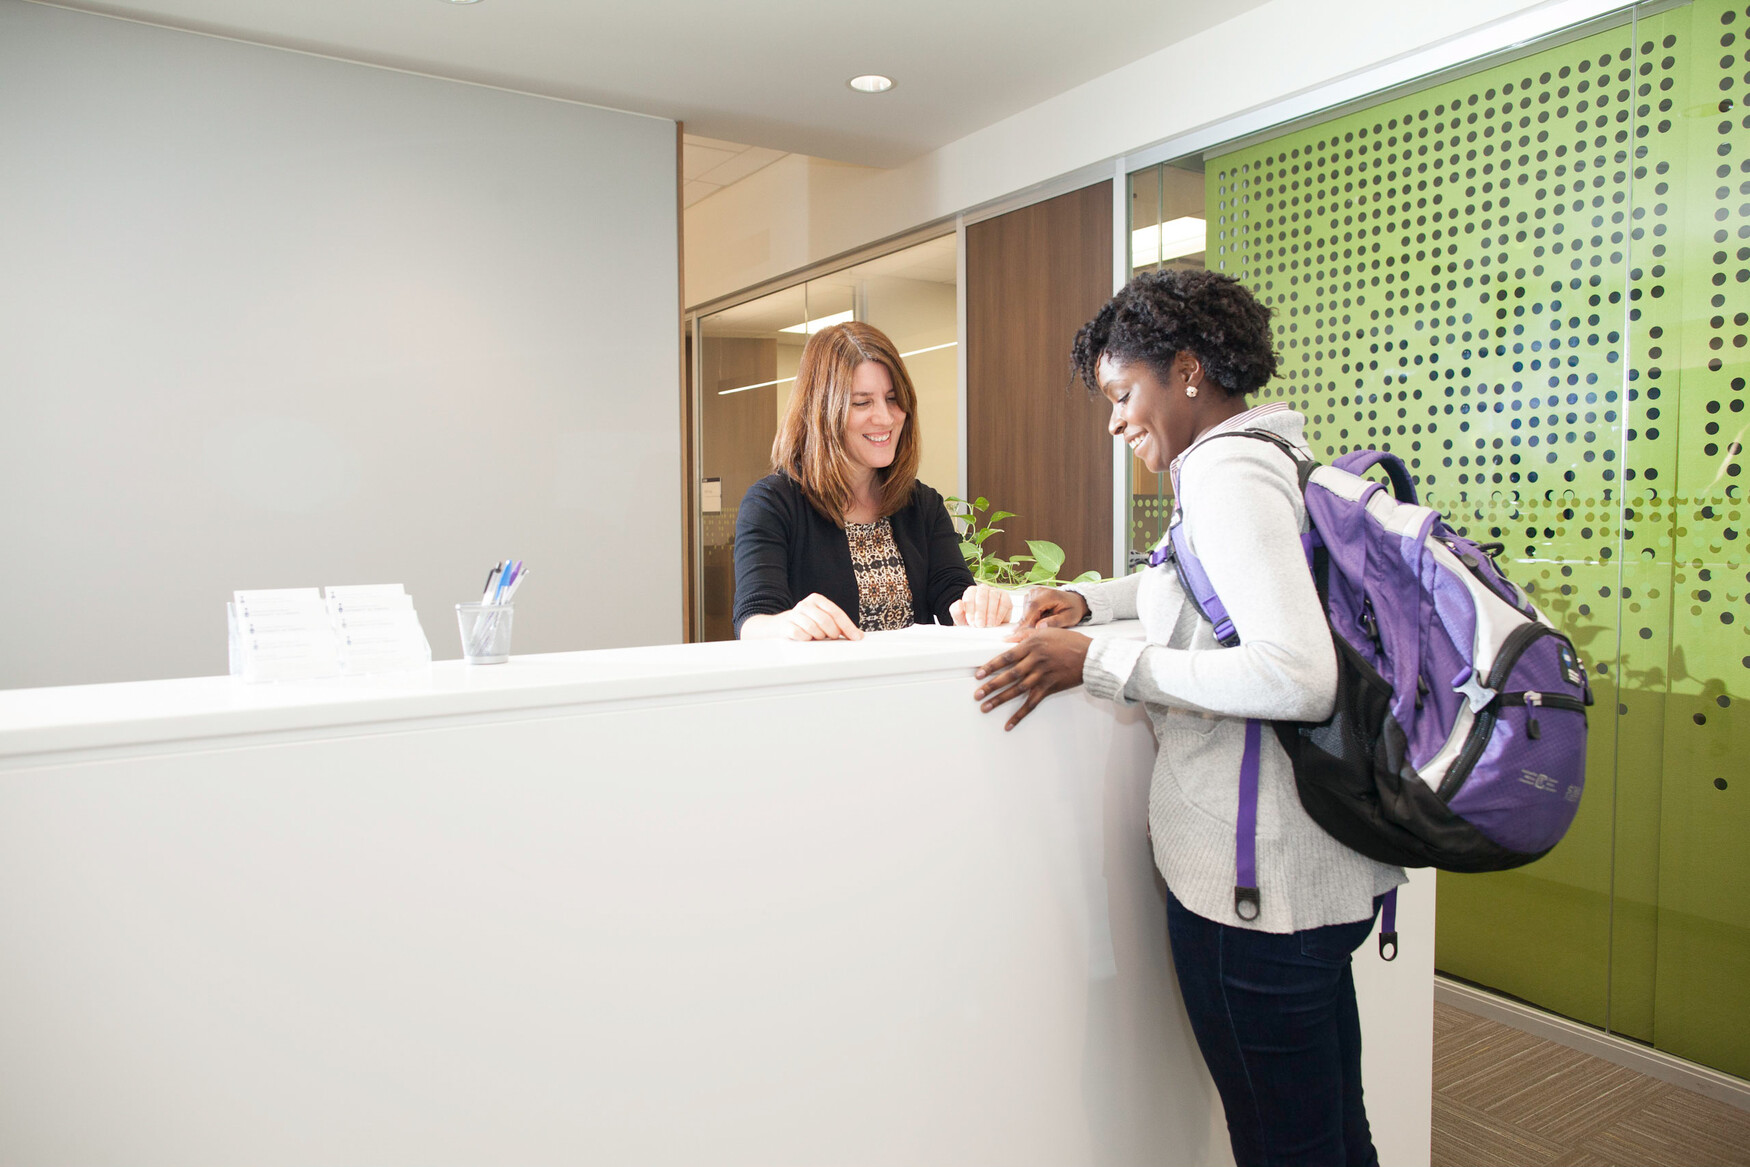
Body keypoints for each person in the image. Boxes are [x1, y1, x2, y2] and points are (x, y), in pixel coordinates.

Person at [971, 269, 1405, 1167]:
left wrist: (1101, 662)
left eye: (1124, 393)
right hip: (1314, 878)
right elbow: (1199, 579)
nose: (1116, 420)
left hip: (1259, 897)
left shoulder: (1224, 475)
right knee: (1332, 1133)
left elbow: (1298, 676)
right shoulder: (1270, 453)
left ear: (1188, 370)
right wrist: (1089, 602)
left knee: (1288, 1150)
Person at [734, 322, 1011, 639]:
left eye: (893, 399)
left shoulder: (921, 504)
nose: (885, 417)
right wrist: (784, 624)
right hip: (825, 686)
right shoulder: (772, 503)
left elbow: (954, 597)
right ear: (822, 410)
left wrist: (978, 603)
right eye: (862, 402)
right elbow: (752, 620)